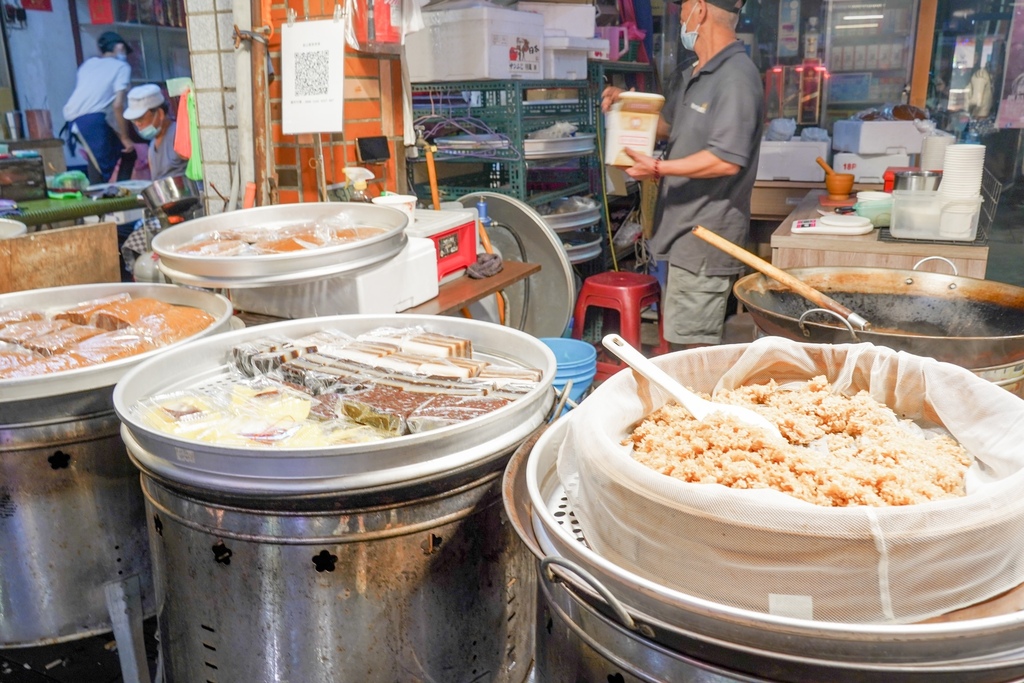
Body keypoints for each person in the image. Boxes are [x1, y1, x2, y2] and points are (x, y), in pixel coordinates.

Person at [602, 0, 764, 349]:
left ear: (700, 10)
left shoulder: (736, 76)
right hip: (677, 230)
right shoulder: (694, 72)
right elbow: (669, 128)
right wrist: (626, 107)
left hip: (705, 238)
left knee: (691, 351)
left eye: (684, 6)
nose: (679, 15)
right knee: (678, 339)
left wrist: (658, 167)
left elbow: (726, 159)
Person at [62, 31, 136, 184]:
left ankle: (120, 193)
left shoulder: (88, 65)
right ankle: (105, 203)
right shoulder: (122, 67)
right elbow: (117, 105)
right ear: (119, 47)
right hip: (91, 121)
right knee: (102, 171)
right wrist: (125, 137)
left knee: (123, 154)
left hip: (78, 119)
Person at [122, 83, 187, 180]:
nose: (137, 124)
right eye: (133, 120)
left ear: (160, 113)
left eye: (140, 119)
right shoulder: (152, 147)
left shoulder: (179, 134)